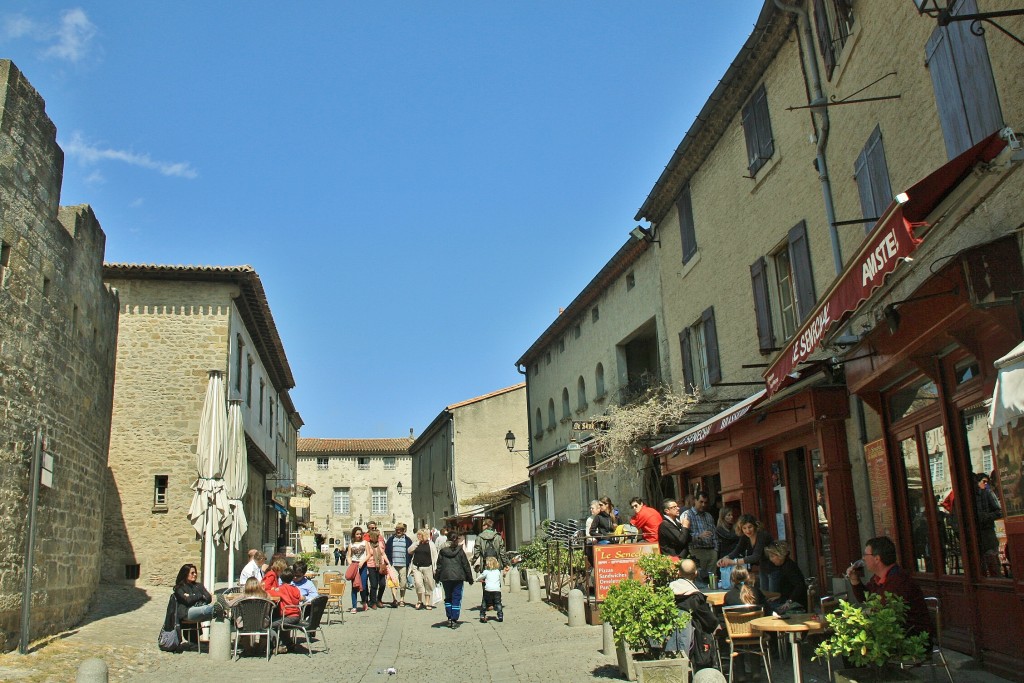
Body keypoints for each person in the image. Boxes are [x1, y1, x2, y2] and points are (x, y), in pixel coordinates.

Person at [846, 536, 934, 644]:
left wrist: (858, 616)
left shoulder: (899, 580)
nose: (863, 558)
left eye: (866, 554)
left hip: (912, 639)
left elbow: (883, 611)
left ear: (877, 558)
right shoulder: (878, 578)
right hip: (893, 634)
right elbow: (865, 598)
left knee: (855, 645)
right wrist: (854, 580)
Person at [667, 559, 721, 661]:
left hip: (670, 640)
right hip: (693, 644)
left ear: (678, 573)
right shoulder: (695, 597)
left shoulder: (668, 592)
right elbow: (709, 621)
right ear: (696, 573)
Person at [717, 514, 777, 592]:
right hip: (763, 567)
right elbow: (737, 550)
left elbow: (756, 556)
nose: (747, 531)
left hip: (774, 566)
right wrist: (725, 558)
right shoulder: (744, 536)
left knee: (773, 594)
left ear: (755, 526)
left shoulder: (762, 535)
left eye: (750, 527)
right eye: (744, 528)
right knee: (764, 592)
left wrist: (733, 562)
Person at [435, 531, 474, 628]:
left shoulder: (442, 551)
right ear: (456, 539)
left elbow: (439, 565)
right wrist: (470, 578)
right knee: (456, 597)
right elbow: (466, 565)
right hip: (458, 577)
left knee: (448, 597)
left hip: (445, 577)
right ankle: (454, 619)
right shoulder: (460, 551)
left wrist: (437, 577)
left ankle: (449, 617)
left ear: (447, 539)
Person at [682, 491, 718, 581]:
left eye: (705, 502)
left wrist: (716, 550)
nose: (703, 505)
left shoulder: (708, 516)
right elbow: (683, 535)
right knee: (699, 579)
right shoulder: (687, 515)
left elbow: (714, 534)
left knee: (712, 579)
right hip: (696, 550)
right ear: (695, 500)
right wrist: (698, 536)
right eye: (701, 502)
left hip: (711, 550)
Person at [976, 472, 1004, 577]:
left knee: (992, 560)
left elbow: (999, 511)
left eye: (987, 482)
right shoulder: (973, 496)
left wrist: (986, 517)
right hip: (979, 534)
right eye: (984, 482)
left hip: (988, 532)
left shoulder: (987, 493)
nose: (986, 484)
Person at [764, 541, 806, 612]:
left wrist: (789, 601)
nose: (771, 559)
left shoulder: (789, 567)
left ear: (780, 555)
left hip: (797, 602)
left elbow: (799, 585)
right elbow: (788, 587)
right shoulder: (782, 566)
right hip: (787, 599)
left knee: (771, 610)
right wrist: (780, 596)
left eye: (772, 556)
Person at [268, 567, 302, 653]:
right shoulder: (296, 589)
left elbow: (270, 594)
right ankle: (290, 644)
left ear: (281, 578)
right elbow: (299, 598)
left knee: (270, 625)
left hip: (288, 615)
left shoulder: (282, 588)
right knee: (281, 625)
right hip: (297, 615)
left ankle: (275, 646)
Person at [385, 523, 415, 606]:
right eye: (397, 529)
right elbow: (387, 551)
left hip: (404, 565)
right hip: (393, 565)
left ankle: (402, 599)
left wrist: (409, 562)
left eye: (400, 529)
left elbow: (411, 551)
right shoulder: (391, 539)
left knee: (403, 583)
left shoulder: (407, 540)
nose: (398, 531)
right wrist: (388, 563)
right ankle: (395, 599)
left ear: (403, 530)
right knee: (393, 583)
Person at [409, 528, 438, 610]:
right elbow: (409, 551)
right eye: (417, 534)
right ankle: (419, 601)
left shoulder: (431, 544)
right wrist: (416, 544)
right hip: (417, 567)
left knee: (428, 584)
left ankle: (427, 603)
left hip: (428, 567)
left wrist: (435, 568)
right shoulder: (416, 543)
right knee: (418, 583)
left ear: (424, 535)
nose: (418, 536)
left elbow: (435, 556)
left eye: (420, 535)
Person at [347, 526, 370, 613]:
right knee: (354, 586)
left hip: (363, 566)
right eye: (357, 534)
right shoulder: (351, 544)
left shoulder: (365, 543)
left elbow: (368, 554)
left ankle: (364, 602)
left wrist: (363, 562)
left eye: (360, 534)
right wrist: (351, 564)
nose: (359, 536)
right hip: (354, 565)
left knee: (363, 586)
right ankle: (354, 606)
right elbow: (348, 556)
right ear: (354, 534)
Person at [365, 529, 390, 609]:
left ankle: (379, 599)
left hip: (381, 566)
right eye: (376, 536)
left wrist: (388, 563)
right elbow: (367, 555)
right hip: (371, 566)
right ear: (372, 537)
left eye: (378, 536)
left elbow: (383, 554)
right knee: (374, 585)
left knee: (382, 584)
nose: (378, 537)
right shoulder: (368, 544)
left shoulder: (380, 544)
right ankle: (373, 602)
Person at [477, 556, 505, 623]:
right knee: (498, 603)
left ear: (487, 564)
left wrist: (477, 580)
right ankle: (500, 615)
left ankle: (482, 615)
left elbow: (480, 577)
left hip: (488, 590)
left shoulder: (486, 571)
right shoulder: (498, 572)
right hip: (497, 590)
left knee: (484, 602)